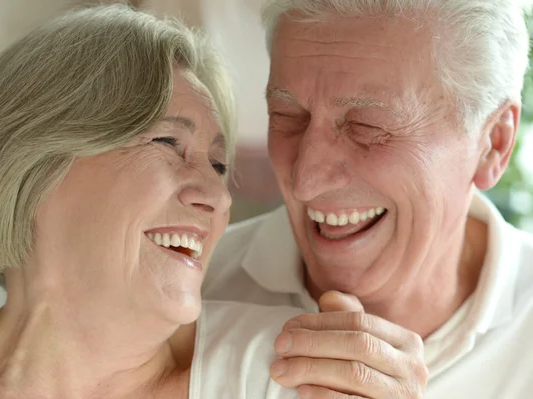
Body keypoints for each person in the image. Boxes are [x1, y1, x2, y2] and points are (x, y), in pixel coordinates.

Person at [0, 5, 304, 398]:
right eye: (167, 142)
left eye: (217, 165)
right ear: (36, 165)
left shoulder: (286, 369)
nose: (219, 197)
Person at [203, 0, 533, 398]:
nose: (305, 181)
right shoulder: (190, 298)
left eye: (367, 126)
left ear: (493, 144)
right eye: (288, 115)